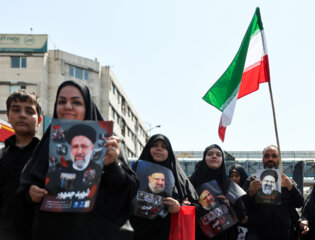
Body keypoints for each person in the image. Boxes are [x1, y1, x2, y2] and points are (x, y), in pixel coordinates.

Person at [19, 80, 138, 240]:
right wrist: (30, 194)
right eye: (62, 102)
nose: (68, 107)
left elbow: (127, 192)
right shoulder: (45, 145)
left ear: (87, 106)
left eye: (76, 102)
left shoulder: (108, 143)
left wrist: (112, 166)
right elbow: (24, 188)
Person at [130, 134, 198, 240]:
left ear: (169, 152)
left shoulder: (180, 179)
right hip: (137, 231)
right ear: (148, 148)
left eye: (164, 147)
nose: (159, 149)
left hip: (168, 233)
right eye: (155, 145)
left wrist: (179, 207)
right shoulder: (135, 171)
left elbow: (195, 206)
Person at [0, 90, 42, 240]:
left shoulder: (46, 156)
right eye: (16, 110)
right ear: (8, 116)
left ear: (39, 120)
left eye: (30, 111)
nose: (22, 115)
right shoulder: (2, 155)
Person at [243, 145, 303, 240]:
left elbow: (299, 203)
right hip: (257, 234)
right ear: (262, 159)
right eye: (266, 156)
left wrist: (291, 187)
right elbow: (244, 207)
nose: (270, 159)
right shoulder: (252, 180)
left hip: (282, 234)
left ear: (279, 159)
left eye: (274, 156)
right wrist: (250, 193)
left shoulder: (286, 180)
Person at [190, 144, 247, 240]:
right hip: (200, 234)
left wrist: (229, 207)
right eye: (210, 154)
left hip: (227, 235)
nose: (214, 156)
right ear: (204, 158)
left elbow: (242, 213)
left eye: (218, 154)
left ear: (222, 160)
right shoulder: (192, 182)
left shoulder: (229, 184)